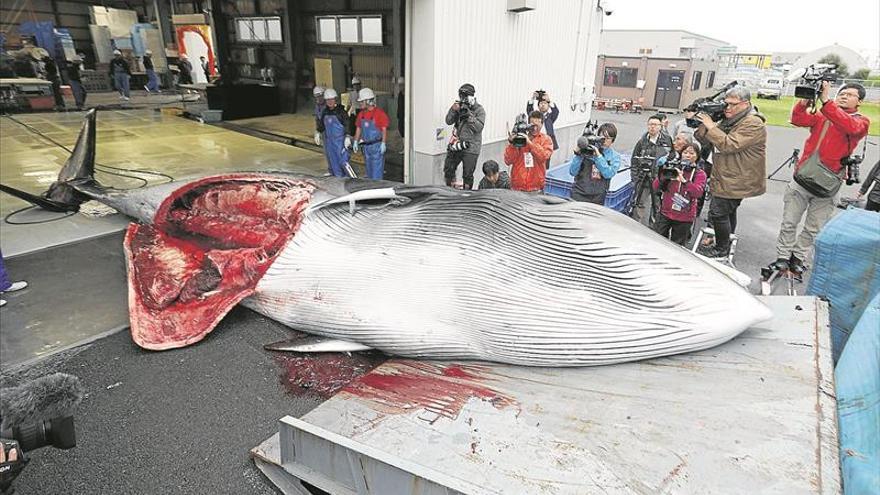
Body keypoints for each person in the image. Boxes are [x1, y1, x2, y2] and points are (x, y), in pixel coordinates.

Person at [770, 82, 870, 273]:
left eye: (849, 95)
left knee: (813, 227)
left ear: (860, 101)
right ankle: (783, 256)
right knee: (789, 222)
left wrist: (826, 101)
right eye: (842, 93)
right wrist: (805, 101)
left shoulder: (861, 121)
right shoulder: (824, 113)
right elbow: (798, 119)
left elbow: (849, 126)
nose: (843, 96)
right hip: (803, 177)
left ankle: (798, 257)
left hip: (829, 183)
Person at [694, 86, 766, 258]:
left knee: (718, 213)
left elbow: (728, 144)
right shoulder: (730, 119)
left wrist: (712, 126)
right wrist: (709, 120)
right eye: (726, 104)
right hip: (727, 176)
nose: (728, 108)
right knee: (727, 212)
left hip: (737, 179)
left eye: (733, 104)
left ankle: (721, 249)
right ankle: (725, 242)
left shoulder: (753, 122)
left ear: (746, 104)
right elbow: (701, 138)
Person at [652, 142, 708, 246]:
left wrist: (685, 181)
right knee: (657, 243)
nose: (688, 155)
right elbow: (656, 187)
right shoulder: (673, 168)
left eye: (691, 153)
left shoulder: (700, 174)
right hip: (665, 212)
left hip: (685, 217)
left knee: (677, 247)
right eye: (685, 152)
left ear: (697, 156)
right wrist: (663, 175)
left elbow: (698, 193)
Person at [629, 115, 673, 223]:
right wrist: (635, 178)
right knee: (639, 203)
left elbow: (672, 156)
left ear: (660, 126)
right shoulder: (642, 141)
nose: (652, 127)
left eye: (655, 125)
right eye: (650, 124)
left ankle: (653, 228)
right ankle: (636, 227)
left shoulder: (667, 140)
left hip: (659, 178)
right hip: (643, 178)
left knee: (656, 205)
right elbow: (634, 160)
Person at [444, 83, 486, 189]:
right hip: (457, 143)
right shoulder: (459, 105)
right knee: (448, 168)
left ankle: (467, 194)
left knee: (467, 174)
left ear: (472, 96)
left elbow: (479, 128)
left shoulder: (479, 110)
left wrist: (469, 116)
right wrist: (453, 110)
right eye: (461, 95)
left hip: (471, 147)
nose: (462, 98)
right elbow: (448, 121)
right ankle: (450, 189)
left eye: (464, 95)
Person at [567, 123, 621, 204]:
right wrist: (579, 153)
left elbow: (608, 173)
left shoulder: (615, 156)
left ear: (613, 140)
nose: (604, 140)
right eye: (601, 137)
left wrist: (598, 156)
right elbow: (572, 172)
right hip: (579, 193)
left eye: (607, 138)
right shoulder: (587, 150)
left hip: (598, 197)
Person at [503, 111, 554, 193]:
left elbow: (544, 157)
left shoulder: (546, 139)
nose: (535, 128)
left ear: (542, 124)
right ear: (528, 125)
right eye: (532, 125)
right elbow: (508, 161)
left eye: (538, 125)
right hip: (517, 187)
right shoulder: (519, 137)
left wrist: (529, 143)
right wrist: (512, 144)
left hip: (536, 188)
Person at [353, 87, 390, 180]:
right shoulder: (361, 114)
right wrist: (355, 141)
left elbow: (384, 130)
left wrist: (383, 143)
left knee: (376, 174)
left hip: (376, 147)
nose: (360, 103)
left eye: (362, 101)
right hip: (366, 148)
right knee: (369, 172)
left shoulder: (379, 114)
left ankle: (377, 191)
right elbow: (358, 128)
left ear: (369, 101)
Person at [316, 88, 352, 177]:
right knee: (334, 163)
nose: (329, 102)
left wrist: (347, 136)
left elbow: (347, 124)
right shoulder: (325, 111)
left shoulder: (341, 112)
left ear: (335, 99)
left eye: (331, 99)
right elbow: (321, 124)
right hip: (330, 142)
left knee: (344, 163)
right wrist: (318, 132)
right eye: (327, 100)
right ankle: (338, 181)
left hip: (340, 142)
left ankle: (349, 182)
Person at [526, 90, 559, 166]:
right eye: (541, 103)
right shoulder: (534, 115)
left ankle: (544, 175)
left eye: (545, 103)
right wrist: (533, 98)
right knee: (531, 162)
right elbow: (529, 110)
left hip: (546, 143)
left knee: (545, 162)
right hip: (534, 141)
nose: (543, 105)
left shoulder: (550, 117)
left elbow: (556, 111)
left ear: (548, 106)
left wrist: (548, 100)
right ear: (538, 106)